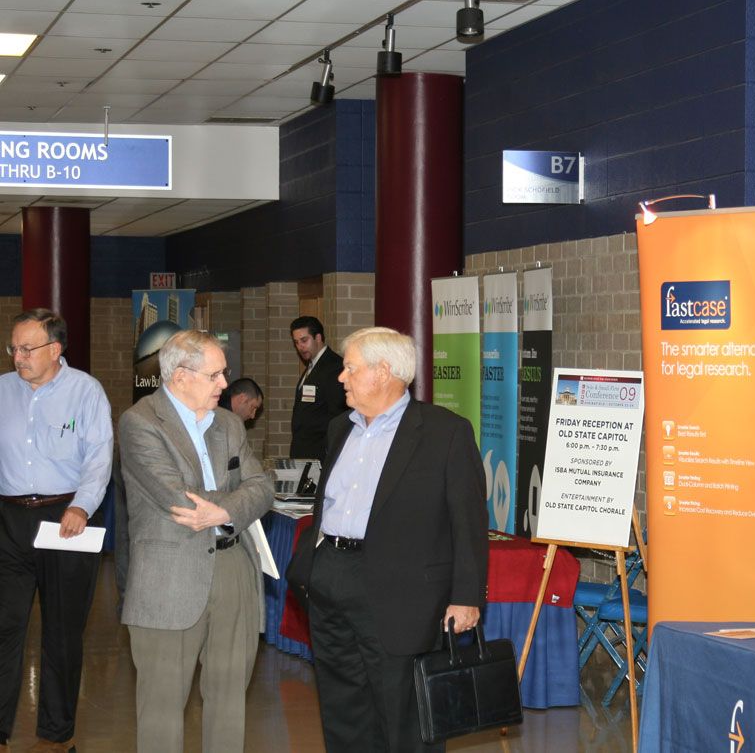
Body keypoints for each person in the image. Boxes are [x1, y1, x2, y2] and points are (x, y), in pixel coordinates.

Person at [286, 327, 488, 751]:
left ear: (383, 372)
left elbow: (468, 522)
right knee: (343, 709)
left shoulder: (444, 432)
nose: (341, 377)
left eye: (350, 368)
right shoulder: (339, 428)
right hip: (330, 579)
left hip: (403, 594)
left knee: (405, 716)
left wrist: (466, 597)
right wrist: (311, 565)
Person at [118, 330, 273, 753]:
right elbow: (177, 498)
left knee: (229, 700)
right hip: (169, 578)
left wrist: (223, 512)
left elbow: (263, 487)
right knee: (162, 708)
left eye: (224, 373)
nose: (225, 383)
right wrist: (235, 503)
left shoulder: (229, 423)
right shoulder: (140, 422)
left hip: (233, 568)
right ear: (181, 376)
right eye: (215, 375)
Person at [0, 309, 113, 753]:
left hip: (67, 519)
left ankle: (55, 735)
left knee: (62, 634)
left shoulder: (86, 392)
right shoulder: (3, 390)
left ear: (55, 349)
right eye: (13, 348)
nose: (18, 357)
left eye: (27, 349)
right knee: (4, 628)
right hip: (9, 520)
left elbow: (99, 456)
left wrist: (82, 505)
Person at [289, 316, 347, 461]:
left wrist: (328, 453)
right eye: (296, 342)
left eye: (304, 340)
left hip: (320, 455)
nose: (300, 347)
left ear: (318, 338)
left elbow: (337, 415)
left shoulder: (334, 367)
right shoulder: (312, 365)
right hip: (305, 451)